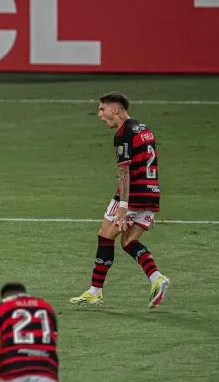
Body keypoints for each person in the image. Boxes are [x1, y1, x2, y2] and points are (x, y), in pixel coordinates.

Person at [70, 92, 170, 308]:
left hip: (131, 195)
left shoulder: (123, 134)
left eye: (102, 109)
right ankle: (157, 278)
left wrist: (123, 207)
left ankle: (95, 292)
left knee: (105, 237)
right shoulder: (143, 129)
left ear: (115, 109)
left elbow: (124, 173)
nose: (99, 114)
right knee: (128, 242)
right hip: (151, 193)